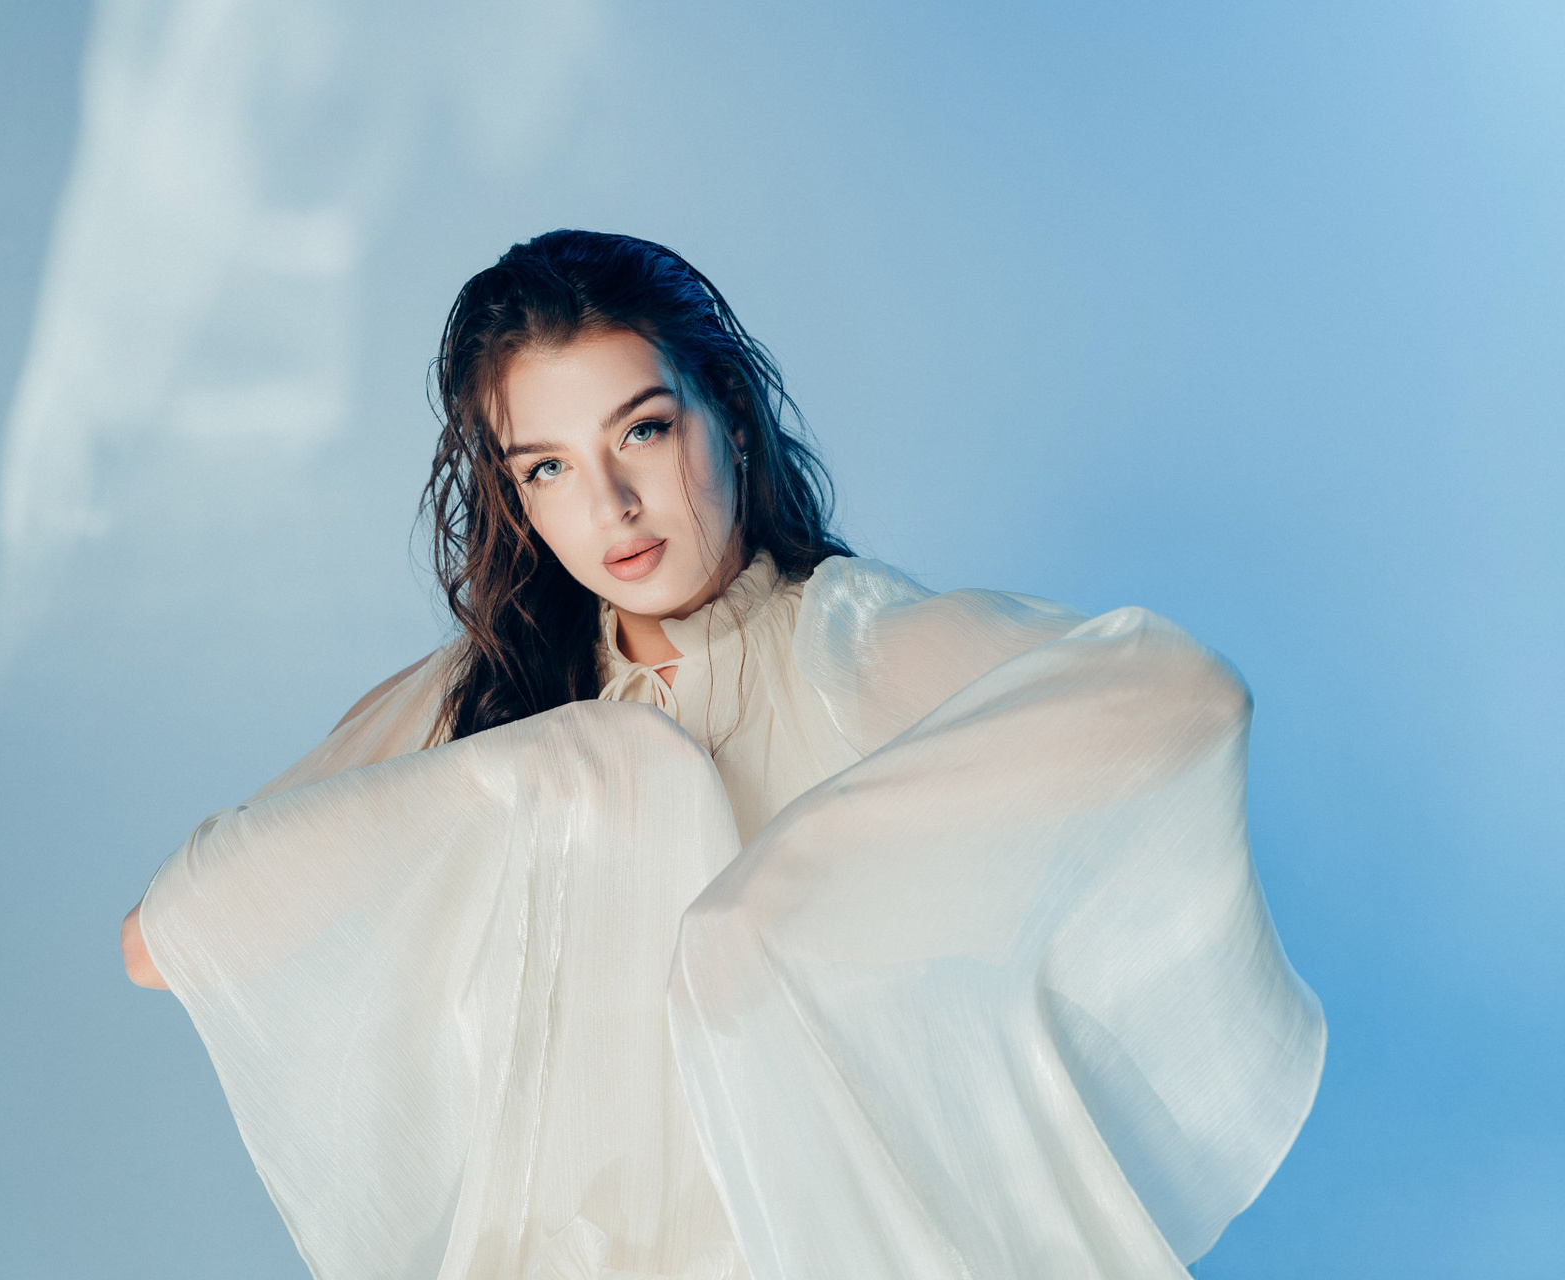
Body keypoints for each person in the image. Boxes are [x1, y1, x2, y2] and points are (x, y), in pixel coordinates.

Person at [120, 230, 1325, 1280]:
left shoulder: (851, 643)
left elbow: (1185, 698)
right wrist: (540, 767)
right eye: (548, 467)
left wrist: (770, 904)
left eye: (643, 430)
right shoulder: (492, 702)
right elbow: (162, 940)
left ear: (729, 420)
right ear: (516, 500)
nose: (612, 503)